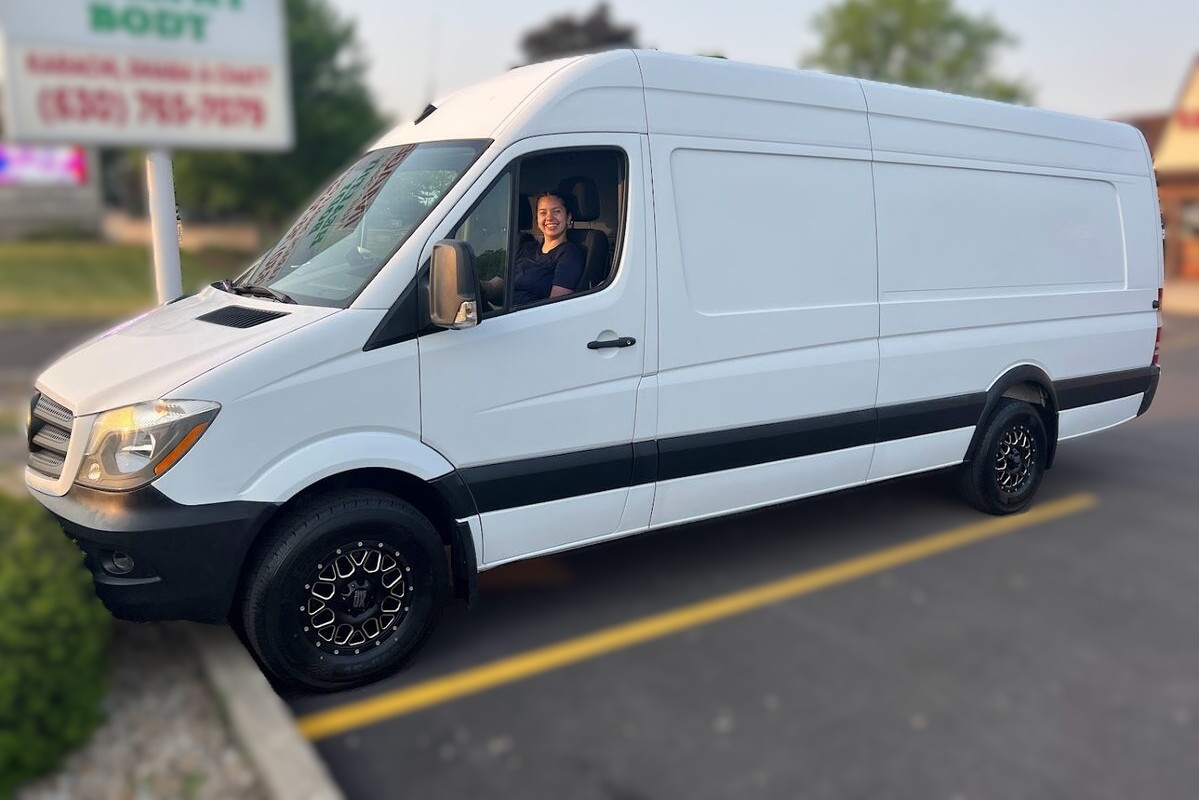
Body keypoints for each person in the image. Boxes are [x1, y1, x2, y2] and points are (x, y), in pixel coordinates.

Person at [483, 191, 584, 306]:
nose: (549, 218)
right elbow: (496, 287)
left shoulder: (569, 254)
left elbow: (556, 305)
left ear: (568, 217)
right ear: (537, 220)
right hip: (500, 310)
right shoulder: (526, 248)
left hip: (528, 315)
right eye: (543, 213)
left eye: (556, 211)